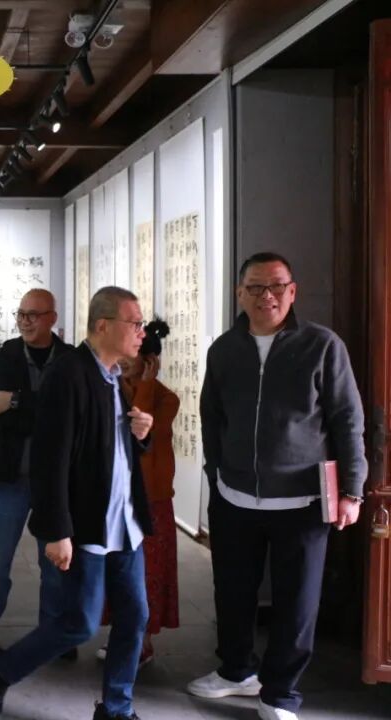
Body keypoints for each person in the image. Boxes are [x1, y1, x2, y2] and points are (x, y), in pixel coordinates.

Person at [190, 252, 366, 720]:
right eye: (255, 286)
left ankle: (281, 693)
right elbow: (211, 418)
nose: (265, 295)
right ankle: (235, 671)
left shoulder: (322, 346)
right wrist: (216, 474)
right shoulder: (224, 349)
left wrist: (352, 490)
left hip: (303, 499)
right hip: (234, 497)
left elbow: (348, 420)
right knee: (232, 593)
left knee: (297, 603)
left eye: (275, 286)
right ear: (239, 293)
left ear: (292, 291)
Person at [0, 286, 154, 720]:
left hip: (124, 522)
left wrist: (138, 435)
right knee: (79, 623)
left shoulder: (113, 376)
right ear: (103, 325)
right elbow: (50, 457)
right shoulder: (70, 373)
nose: (142, 332)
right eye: (135, 323)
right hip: (89, 521)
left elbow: (105, 446)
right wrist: (56, 530)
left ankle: (116, 708)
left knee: (134, 617)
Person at [0, 288, 74, 662]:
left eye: (34, 315)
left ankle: (53, 636)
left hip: (56, 482)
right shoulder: (5, 356)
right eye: (21, 314)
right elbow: (3, 412)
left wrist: (16, 399)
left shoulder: (71, 359)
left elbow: (69, 413)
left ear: (52, 318)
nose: (26, 321)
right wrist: (42, 408)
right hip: (11, 476)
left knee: (56, 565)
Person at [98, 319, 180, 667]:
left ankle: (142, 640)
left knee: (149, 572)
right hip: (118, 494)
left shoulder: (165, 398)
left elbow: (141, 428)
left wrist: (145, 383)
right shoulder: (111, 388)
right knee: (116, 567)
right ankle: (122, 633)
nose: (123, 359)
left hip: (152, 499)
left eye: (132, 354)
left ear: (149, 360)